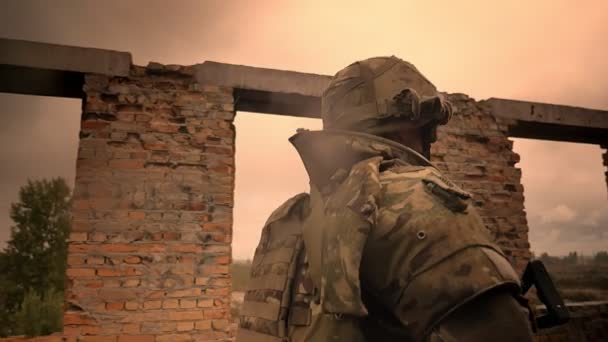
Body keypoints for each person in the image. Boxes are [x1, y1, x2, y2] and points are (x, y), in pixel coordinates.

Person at [237, 56, 535, 342]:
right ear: (408, 125)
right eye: (429, 130)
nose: (430, 141)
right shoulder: (418, 202)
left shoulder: (285, 218)